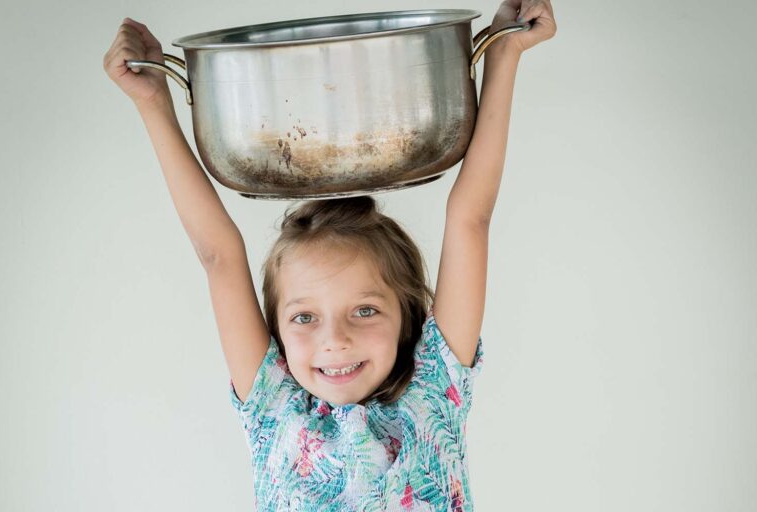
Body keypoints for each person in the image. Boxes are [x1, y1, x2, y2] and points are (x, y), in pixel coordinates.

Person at [103, 1, 556, 510]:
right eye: (303, 317)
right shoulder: (273, 407)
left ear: (409, 316)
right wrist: (153, 100)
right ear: (273, 326)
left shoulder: (435, 394)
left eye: (365, 310)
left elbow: (471, 218)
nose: (334, 340)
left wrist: (503, 55)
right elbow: (219, 255)